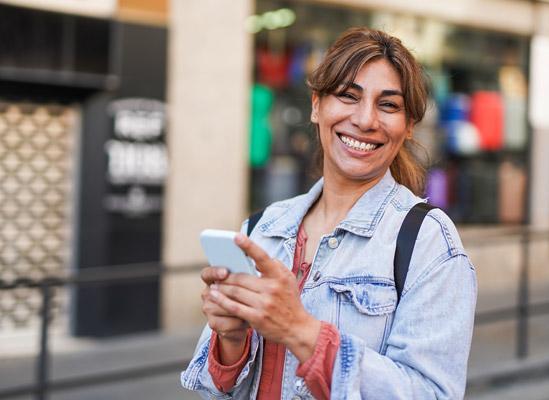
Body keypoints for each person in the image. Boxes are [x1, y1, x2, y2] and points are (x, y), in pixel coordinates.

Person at [181, 27, 477, 400]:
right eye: (348, 96)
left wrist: (301, 331)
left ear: (408, 127)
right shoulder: (263, 228)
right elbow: (216, 390)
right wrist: (231, 340)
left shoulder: (428, 241)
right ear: (317, 105)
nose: (366, 119)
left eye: (388, 105)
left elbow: (433, 394)